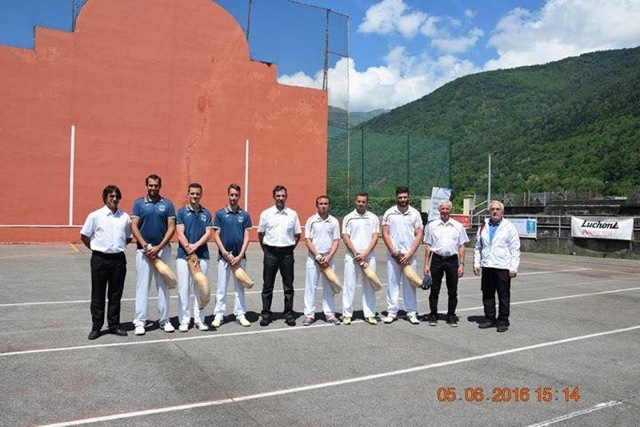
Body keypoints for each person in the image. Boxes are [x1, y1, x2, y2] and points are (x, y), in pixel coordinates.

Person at [80, 185, 132, 340]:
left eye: (117, 196)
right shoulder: (95, 216)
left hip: (118, 259)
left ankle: (114, 325)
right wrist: (96, 249)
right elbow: (84, 235)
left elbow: (128, 237)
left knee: (116, 294)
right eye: (111, 196)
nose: (114, 199)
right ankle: (96, 327)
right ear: (105, 198)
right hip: (100, 259)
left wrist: (115, 247)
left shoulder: (125, 217)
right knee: (98, 294)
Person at [131, 174, 176, 335]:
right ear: (146, 186)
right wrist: (144, 245)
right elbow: (134, 226)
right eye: (150, 185)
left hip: (162, 251)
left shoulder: (167, 204)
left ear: (160, 186)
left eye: (156, 185)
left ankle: (164, 320)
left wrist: (159, 247)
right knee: (142, 287)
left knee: (163, 286)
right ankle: (140, 321)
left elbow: (171, 228)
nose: (153, 188)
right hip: (143, 251)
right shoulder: (138, 204)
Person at [257, 185, 301, 327]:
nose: (280, 198)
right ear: (274, 197)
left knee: (288, 286)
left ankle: (288, 314)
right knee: (267, 286)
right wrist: (266, 249)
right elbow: (260, 233)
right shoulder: (266, 214)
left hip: (287, 253)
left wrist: (289, 248)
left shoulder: (292, 214)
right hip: (270, 253)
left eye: (283, 196)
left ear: (286, 197)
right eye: (278, 196)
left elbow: (297, 235)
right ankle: (266, 314)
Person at [473, 201, 521, 332]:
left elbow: (515, 249)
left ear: (502, 212)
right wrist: (477, 263)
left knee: (503, 295)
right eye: (492, 209)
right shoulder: (483, 226)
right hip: (487, 265)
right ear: (489, 211)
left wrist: (513, 267)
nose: (495, 211)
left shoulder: (509, 227)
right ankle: (490, 318)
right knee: (487, 294)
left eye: (498, 209)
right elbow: (478, 247)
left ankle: (503, 320)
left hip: (502, 267)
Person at [211, 183, 252, 328]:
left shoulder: (245, 215)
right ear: (228, 195)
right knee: (221, 288)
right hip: (224, 258)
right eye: (231, 195)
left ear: (239, 196)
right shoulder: (220, 214)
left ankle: (240, 314)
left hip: (240, 258)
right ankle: (219, 315)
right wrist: (224, 253)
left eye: (236, 195)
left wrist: (240, 255)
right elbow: (216, 235)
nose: (233, 198)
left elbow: (247, 236)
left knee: (239, 288)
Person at [381, 186, 424, 324]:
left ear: (409, 197)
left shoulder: (415, 214)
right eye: (400, 198)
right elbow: (385, 234)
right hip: (393, 256)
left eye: (405, 197)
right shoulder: (389, 213)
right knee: (393, 284)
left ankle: (411, 312)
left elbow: (418, 235)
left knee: (410, 284)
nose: (403, 200)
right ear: (396, 198)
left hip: (410, 256)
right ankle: (392, 312)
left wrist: (409, 253)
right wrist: (394, 252)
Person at [423, 200, 469, 327]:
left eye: (446, 209)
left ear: (450, 210)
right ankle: (433, 314)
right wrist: (426, 264)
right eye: (442, 209)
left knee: (453, 290)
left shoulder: (457, 226)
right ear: (439, 210)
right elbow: (428, 246)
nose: (444, 211)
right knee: (434, 289)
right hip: (437, 260)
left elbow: (462, 246)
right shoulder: (432, 226)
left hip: (452, 260)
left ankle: (451, 315)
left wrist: (461, 264)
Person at [175, 183, 213, 332]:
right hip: (183, 256)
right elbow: (180, 233)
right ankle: (184, 319)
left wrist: (195, 247)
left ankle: (199, 319)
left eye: (197, 194)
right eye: (192, 193)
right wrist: (189, 251)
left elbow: (208, 233)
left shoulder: (206, 213)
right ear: (188, 194)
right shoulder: (182, 212)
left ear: (201, 195)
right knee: (184, 288)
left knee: (200, 288)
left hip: (202, 255)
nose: (195, 196)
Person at [341, 192, 380, 325]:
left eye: (363, 201)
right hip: (351, 257)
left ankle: (369, 314)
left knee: (369, 286)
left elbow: (375, 237)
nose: (361, 204)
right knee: (349, 285)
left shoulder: (373, 218)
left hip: (369, 257)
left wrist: (364, 254)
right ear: (355, 202)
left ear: (367, 203)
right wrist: (356, 253)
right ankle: (347, 314)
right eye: (359, 201)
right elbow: (345, 237)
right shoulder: (348, 218)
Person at [302, 195, 341, 326]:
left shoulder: (334, 221)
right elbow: (307, 240)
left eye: (326, 203)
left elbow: (336, 241)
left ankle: (330, 314)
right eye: (321, 203)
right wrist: (318, 256)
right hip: (313, 259)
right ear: (316, 205)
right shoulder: (311, 221)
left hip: (329, 260)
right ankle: (309, 315)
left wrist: (328, 257)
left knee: (329, 287)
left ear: (329, 205)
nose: (323, 206)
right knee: (310, 287)